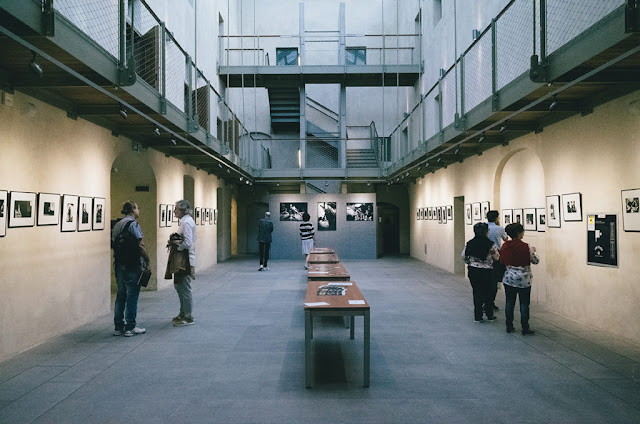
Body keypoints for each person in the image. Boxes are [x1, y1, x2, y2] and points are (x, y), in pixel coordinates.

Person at [111, 200, 150, 337]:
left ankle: (118, 327)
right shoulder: (133, 224)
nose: (139, 210)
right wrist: (147, 260)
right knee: (132, 295)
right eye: (137, 208)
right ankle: (130, 326)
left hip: (119, 264)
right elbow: (140, 245)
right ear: (133, 209)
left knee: (121, 295)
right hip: (132, 264)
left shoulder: (117, 225)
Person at [500, 222, 539, 335]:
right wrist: (534, 251)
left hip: (509, 278)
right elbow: (535, 261)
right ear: (518, 233)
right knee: (524, 304)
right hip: (524, 280)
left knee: (509, 302)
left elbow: (502, 260)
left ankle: (509, 326)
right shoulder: (526, 247)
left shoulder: (505, 246)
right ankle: (525, 327)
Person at [462, 222, 499, 323]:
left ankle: (478, 316)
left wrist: (470, 263)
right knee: (488, 292)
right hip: (487, 271)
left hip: (474, 270)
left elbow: (464, 256)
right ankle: (489, 314)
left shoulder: (470, 243)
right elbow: (496, 257)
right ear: (486, 232)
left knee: (477, 292)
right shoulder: (491, 244)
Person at [171, 199, 196, 326]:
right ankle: (183, 313)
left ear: (183, 210)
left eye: (176, 208)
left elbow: (188, 243)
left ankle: (188, 317)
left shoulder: (186, 223)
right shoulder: (185, 222)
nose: (174, 211)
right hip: (182, 259)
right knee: (179, 286)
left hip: (185, 260)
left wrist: (176, 245)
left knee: (184, 288)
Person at [486, 210, 507, 311]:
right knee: (494, 281)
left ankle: (485, 302)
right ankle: (490, 302)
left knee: (485, 281)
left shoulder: (483, 227)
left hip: (484, 255)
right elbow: (506, 239)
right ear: (496, 218)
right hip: (496, 256)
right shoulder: (499, 228)